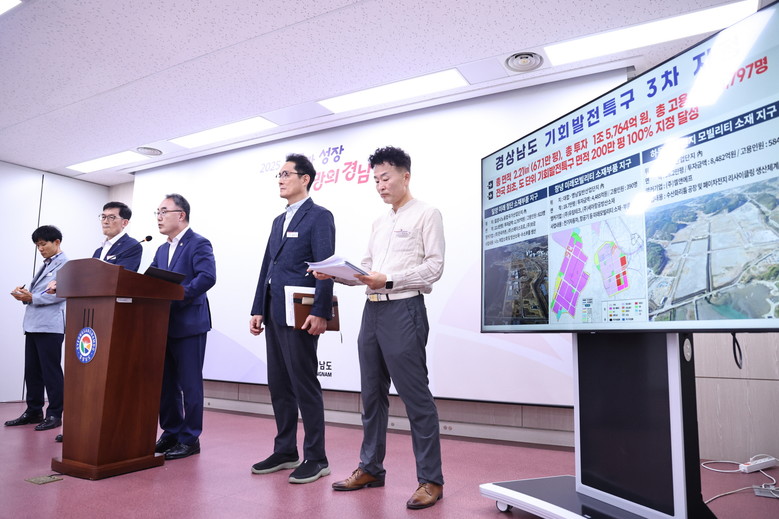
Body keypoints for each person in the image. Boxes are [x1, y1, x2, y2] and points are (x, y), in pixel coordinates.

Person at [314, 146, 445, 509]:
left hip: (404, 309)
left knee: (416, 398)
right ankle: (371, 467)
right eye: (375, 180)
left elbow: (434, 268)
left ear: (406, 176)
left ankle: (431, 479)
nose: (380, 186)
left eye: (385, 178)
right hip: (371, 312)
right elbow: (366, 273)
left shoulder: (427, 213)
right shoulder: (379, 222)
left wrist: (388, 280)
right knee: (371, 395)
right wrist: (335, 275)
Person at [249, 153, 336, 484]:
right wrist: (257, 308)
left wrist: (320, 311)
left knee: (304, 383)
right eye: (279, 175)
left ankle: (317, 457)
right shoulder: (278, 220)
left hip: (301, 311)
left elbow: (326, 266)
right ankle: (285, 450)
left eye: (287, 174)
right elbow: (267, 266)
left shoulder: (320, 216)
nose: (281, 179)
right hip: (274, 310)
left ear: (305, 179)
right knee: (279, 383)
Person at [150, 194, 216, 460]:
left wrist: (177, 295)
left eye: (164, 211)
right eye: (157, 212)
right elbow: (151, 279)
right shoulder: (161, 249)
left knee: (190, 385)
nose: (159, 217)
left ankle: (190, 439)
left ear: (181, 215)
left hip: (189, 324)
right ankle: (172, 431)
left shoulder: (198, 243)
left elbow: (207, 277)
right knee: (165, 385)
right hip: (162, 324)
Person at [5, 225, 68, 433]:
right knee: (32, 371)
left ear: (57, 242)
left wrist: (32, 297)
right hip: (34, 324)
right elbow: (41, 292)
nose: (40, 249)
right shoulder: (46, 264)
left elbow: (61, 293)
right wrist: (25, 295)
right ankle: (34, 411)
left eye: (43, 244)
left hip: (50, 326)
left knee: (50, 371)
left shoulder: (65, 265)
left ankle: (54, 414)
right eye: (37, 245)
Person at [93, 201, 143, 271]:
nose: (105, 221)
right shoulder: (98, 251)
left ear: (124, 223)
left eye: (111, 217)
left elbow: (122, 275)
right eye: (103, 217)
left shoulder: (132, 246)